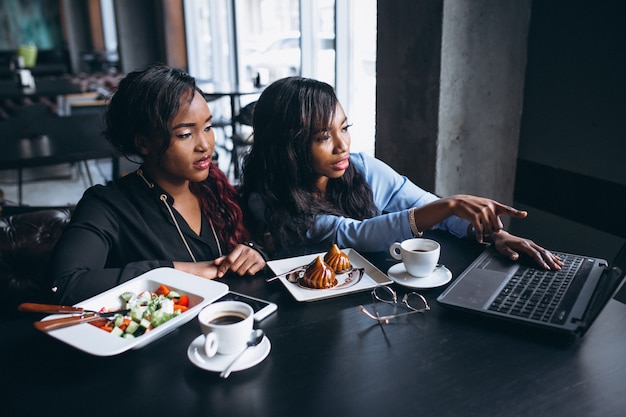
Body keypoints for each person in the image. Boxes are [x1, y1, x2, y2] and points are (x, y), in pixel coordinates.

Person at [240, 76, 562, 270]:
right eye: (323, 137)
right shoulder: (268, 200)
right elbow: (355, 235)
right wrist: (447, 205)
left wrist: (496, 235)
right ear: (289, 144)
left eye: (345, 128)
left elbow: (424, 203)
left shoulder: (360, 167)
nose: (342, 146)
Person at [50, 63, 266, 305]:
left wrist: (252, 252)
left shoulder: (215, 185)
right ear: (143, 143)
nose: (205, 145)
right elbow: (64, 285)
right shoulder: (107, 204)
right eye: (185, 134)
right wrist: (175, 272)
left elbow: (257, 240)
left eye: (208, 127)